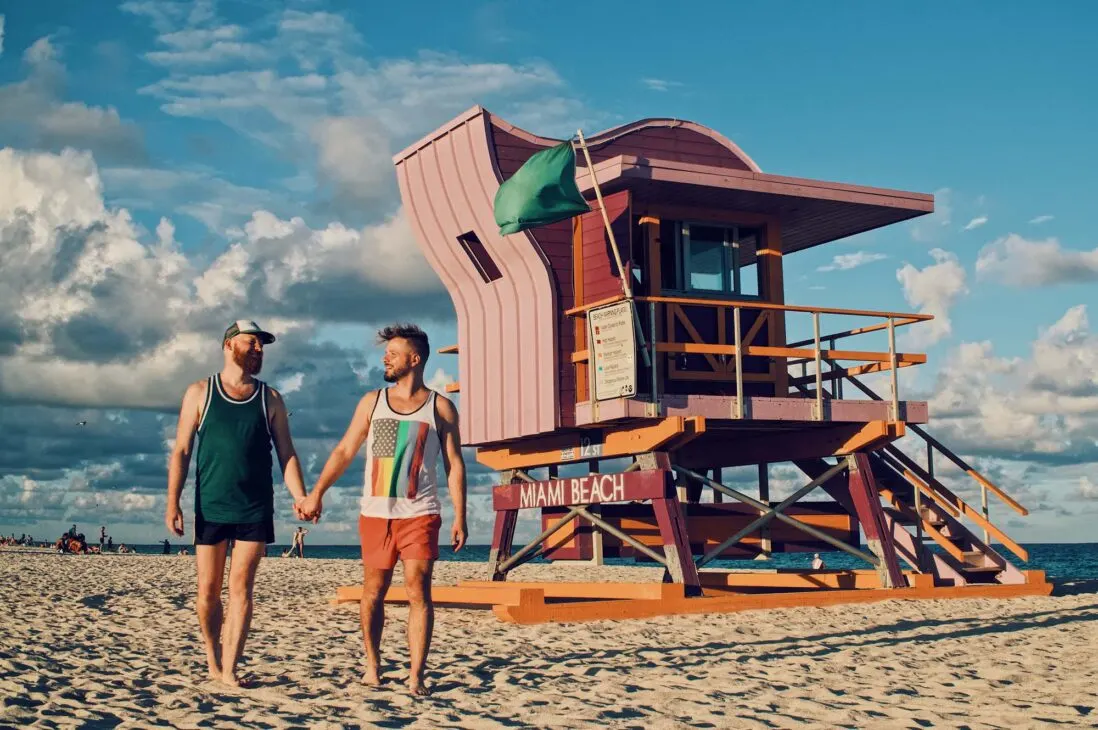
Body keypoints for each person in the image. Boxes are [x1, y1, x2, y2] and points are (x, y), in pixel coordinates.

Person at [300, 323, 467, 696]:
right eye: (386, 353)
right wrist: (317, 494)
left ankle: (415, 676)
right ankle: (372, 667)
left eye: (392, 353)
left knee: (418, 591)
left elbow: (455, 464)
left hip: (420, 513)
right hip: (375, 514)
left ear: (415, 359)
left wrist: (461, 515)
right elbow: (344, 450)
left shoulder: (440, 407)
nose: (385, 358)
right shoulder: (371, 402)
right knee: (372, 591)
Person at [164, 319, 311, 687]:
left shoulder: (271, 398)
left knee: (242, 587)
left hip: (255, 507)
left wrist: (300, 495)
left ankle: (230, 669)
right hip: (211, 504)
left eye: (262, 345)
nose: (259, 350)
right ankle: (213, 660)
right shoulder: (200, 392)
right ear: (229, 345)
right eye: (252, 343)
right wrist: (173, 502)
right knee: (208, 593)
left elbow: (287, 453)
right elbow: (182, 451)